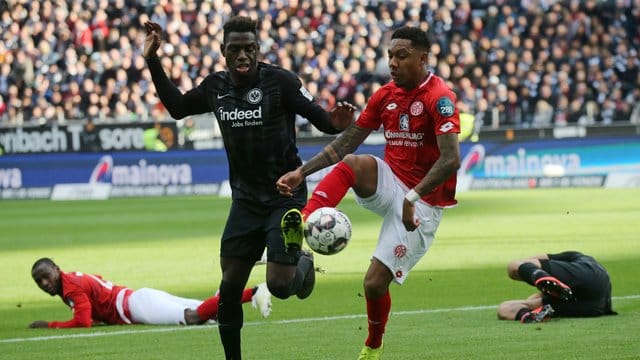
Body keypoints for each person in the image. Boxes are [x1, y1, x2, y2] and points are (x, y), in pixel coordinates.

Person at [143, 16, 355, 359]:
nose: (243, 55)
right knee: (229, 290)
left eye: (249, 48)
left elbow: (323, 120)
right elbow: (178, 108)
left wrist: (336, 121)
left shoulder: (282, 82)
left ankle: (302, 264)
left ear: (258, 49)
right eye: (235, 49)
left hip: (283, 196)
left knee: (280, 287)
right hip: (244, 202)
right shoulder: (215, 87)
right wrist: (152, 59)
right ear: (224, 52)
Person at [276, 26, 461, 360]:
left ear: (423, 58)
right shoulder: (385, 94)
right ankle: (302, 224)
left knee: (374, 284)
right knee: (353, 162)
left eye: (401, 56)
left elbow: (451, 159)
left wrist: (413, 197)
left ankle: (373, 345)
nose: (392, 62)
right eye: (390, 55)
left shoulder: (440, 98)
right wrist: (301, 172)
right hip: (392, 181)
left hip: (424, 201)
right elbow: (348, 139)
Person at [29, 258, 271, 328]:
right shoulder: (71, 279)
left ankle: (255, 289)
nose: (45, 283)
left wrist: (49, 325)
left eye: (46, 277)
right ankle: (251, 286)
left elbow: (83, 321)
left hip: (135, 306)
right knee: (210, 311)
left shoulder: (70, 286)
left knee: (194, 317)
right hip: (136, 299)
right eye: (39, 282)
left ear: (57, 271)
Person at [497, 251, 616, 323]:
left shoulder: (574, 256)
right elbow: (532, 299)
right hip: (594, 306)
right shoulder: (550, 295)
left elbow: (532, 260)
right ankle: (528, 315)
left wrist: (526, 266)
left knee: (514, 265)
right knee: (504, 308)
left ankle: (539, 275)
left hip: (588, 276)